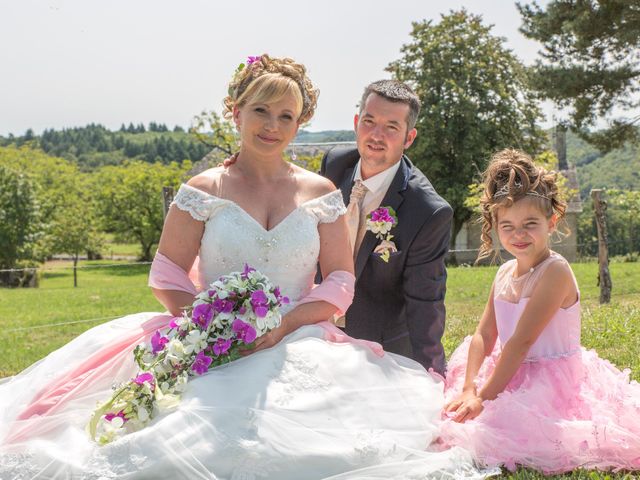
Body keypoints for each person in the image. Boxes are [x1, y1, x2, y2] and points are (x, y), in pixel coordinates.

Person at [0, 55, 481, 479]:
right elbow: (167, 273)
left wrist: (282, 325)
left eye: (286, 116)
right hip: (207, 335)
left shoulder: (321, 194)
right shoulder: (204, 189)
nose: (272, 125)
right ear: (236, 112)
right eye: (261, 111)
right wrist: (213, 328)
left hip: (298, 339)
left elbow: (338, 280)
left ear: (300, 124)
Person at [442, 149, 640, 473]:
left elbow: (520, 342)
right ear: (494, 226)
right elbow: (484, 334)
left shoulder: (555, 272)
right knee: (452, 417)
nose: (518, 235)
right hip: (508, 367)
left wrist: (484, 397)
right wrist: (469, 387)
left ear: (551, 222)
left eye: (530, 224)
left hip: (550, 379)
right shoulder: (504, 273)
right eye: (507, 226)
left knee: (495, 433)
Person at [320, 80, 453, 376]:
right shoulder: (333, 166)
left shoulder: (428, 211)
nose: (376, 135)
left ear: (409, 138)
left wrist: (432, 373)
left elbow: (425, 302)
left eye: (392, 127)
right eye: (369, 121)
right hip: (316, 332)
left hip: (378, 352)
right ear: (357, 122)